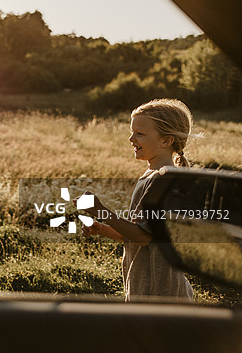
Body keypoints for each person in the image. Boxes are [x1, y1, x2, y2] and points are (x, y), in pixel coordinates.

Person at [77, 98, 195, 302]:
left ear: (166, 141)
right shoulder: (152, 175)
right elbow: (140, 233)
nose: (132, 139)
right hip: (148, 288)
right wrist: (102, 228)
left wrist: (100, 211)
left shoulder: (163, 179)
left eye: (139, 134)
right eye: (132, 132)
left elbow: (144, 237)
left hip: (160, 294)